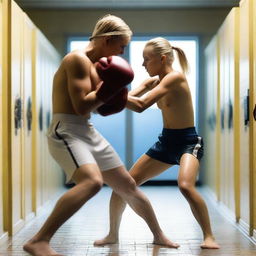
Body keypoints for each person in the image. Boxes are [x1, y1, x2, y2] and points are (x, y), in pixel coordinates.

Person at [23, 17, 179, 256]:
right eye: (121, 46)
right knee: (92, 182)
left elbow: (103, 106)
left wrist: (124, 89)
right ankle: (39, 240)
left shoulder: (97, 66)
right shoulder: (76, 60)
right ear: (107, 40)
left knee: (127, 185)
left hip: (85, 130)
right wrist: (111, 88)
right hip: (66, 130)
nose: (122, 52)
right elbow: (83, 106)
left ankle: (159, 235)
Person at [94, 37, 220, 249]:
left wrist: (107, 93)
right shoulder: (154, 81)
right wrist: (111, 93)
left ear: (162, 59)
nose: (143, 64)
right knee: (123, 186)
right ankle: (112, 234)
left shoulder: (175, 78)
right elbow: (128, 98)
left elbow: (141, 105)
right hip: (166, 142)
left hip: (188, 142)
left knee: (186, 186)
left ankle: (209, 236)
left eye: (147, 59)